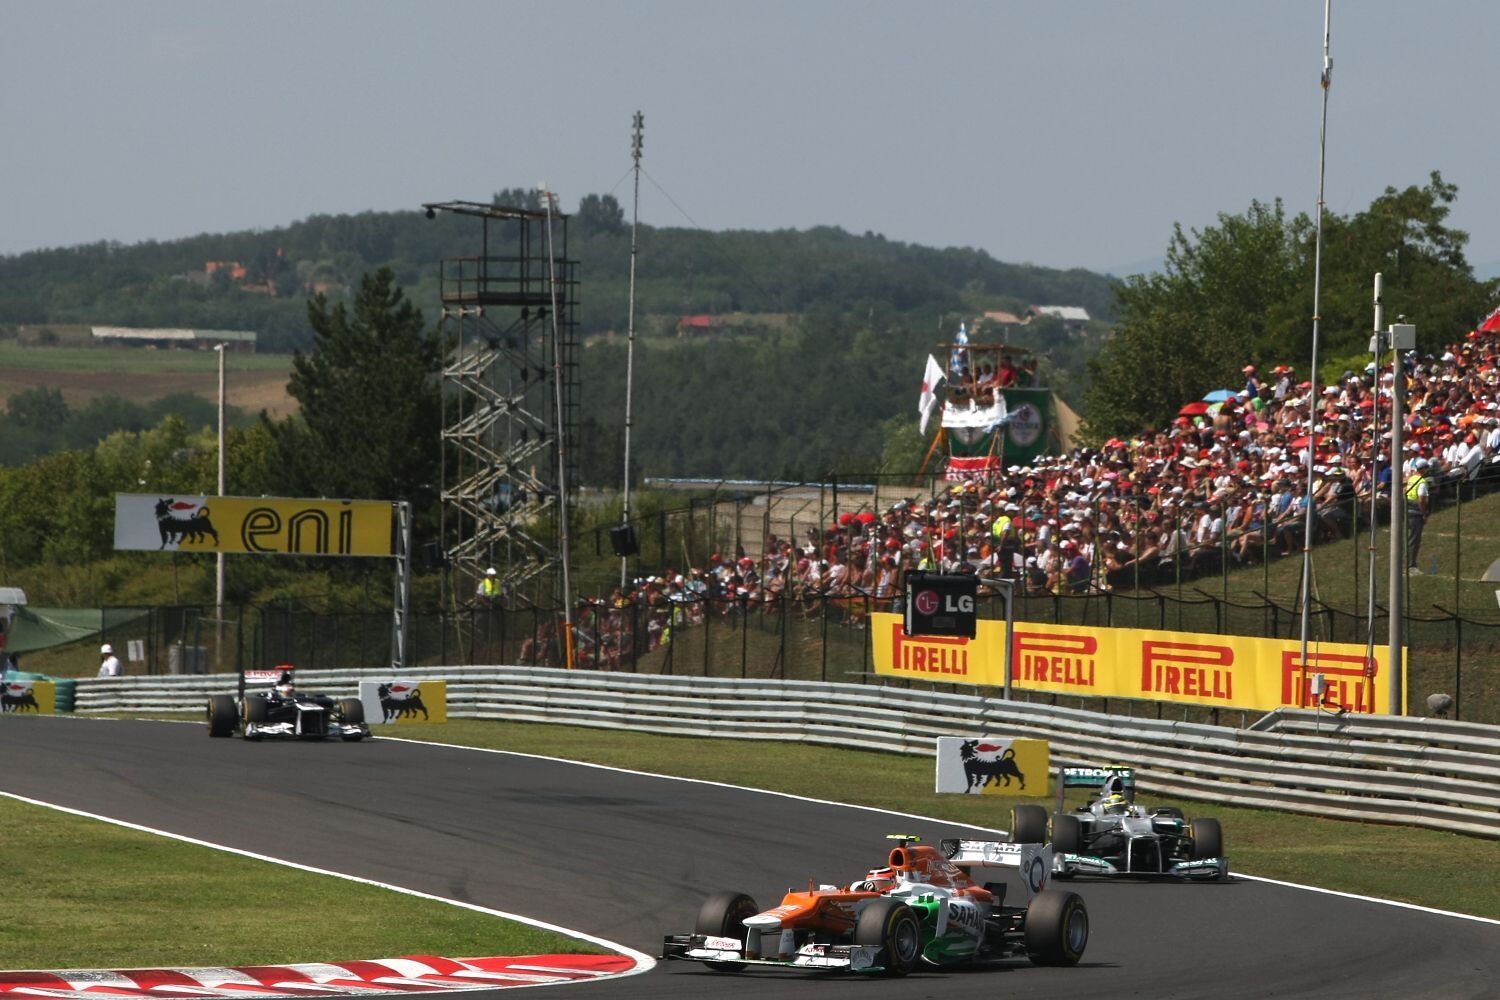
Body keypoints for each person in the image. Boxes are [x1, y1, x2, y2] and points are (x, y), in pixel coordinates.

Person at [1405, 458, 1431, 571]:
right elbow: (1421, 500)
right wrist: (1424, 514)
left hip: (1408, 510)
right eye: (1427, 468)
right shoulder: (1422, 482)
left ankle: (1409, 562)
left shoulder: (1411, 479)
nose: (1428, 470)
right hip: (1416, 513)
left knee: (1410, 538)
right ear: (1423, 469)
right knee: (1414, 540)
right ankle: (1411, 565)